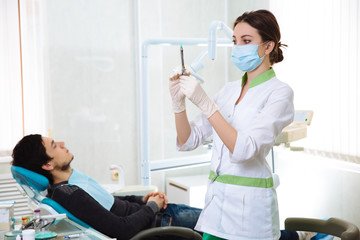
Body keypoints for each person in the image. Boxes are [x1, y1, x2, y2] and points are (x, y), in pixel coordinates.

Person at [169, 9, 294, 240]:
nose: (238, 48)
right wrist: (179, 105)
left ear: (268, 47)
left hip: (251, 220)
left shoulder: (279, 93)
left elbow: (245, 149)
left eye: (246, 41)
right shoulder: (228, 90)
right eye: (235, 41)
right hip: (216, 212)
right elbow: (189, 140)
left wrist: (206, 104)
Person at [11, 134, 202, 240]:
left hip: (159, 216)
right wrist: (153, 206)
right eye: (54, 146)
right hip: (162, 225)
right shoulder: (70, 195)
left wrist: (143, 199)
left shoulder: (71, 183)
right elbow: (122, 230)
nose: (62, 144)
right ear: (47, 165)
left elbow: (111, 202)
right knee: (225, 225)